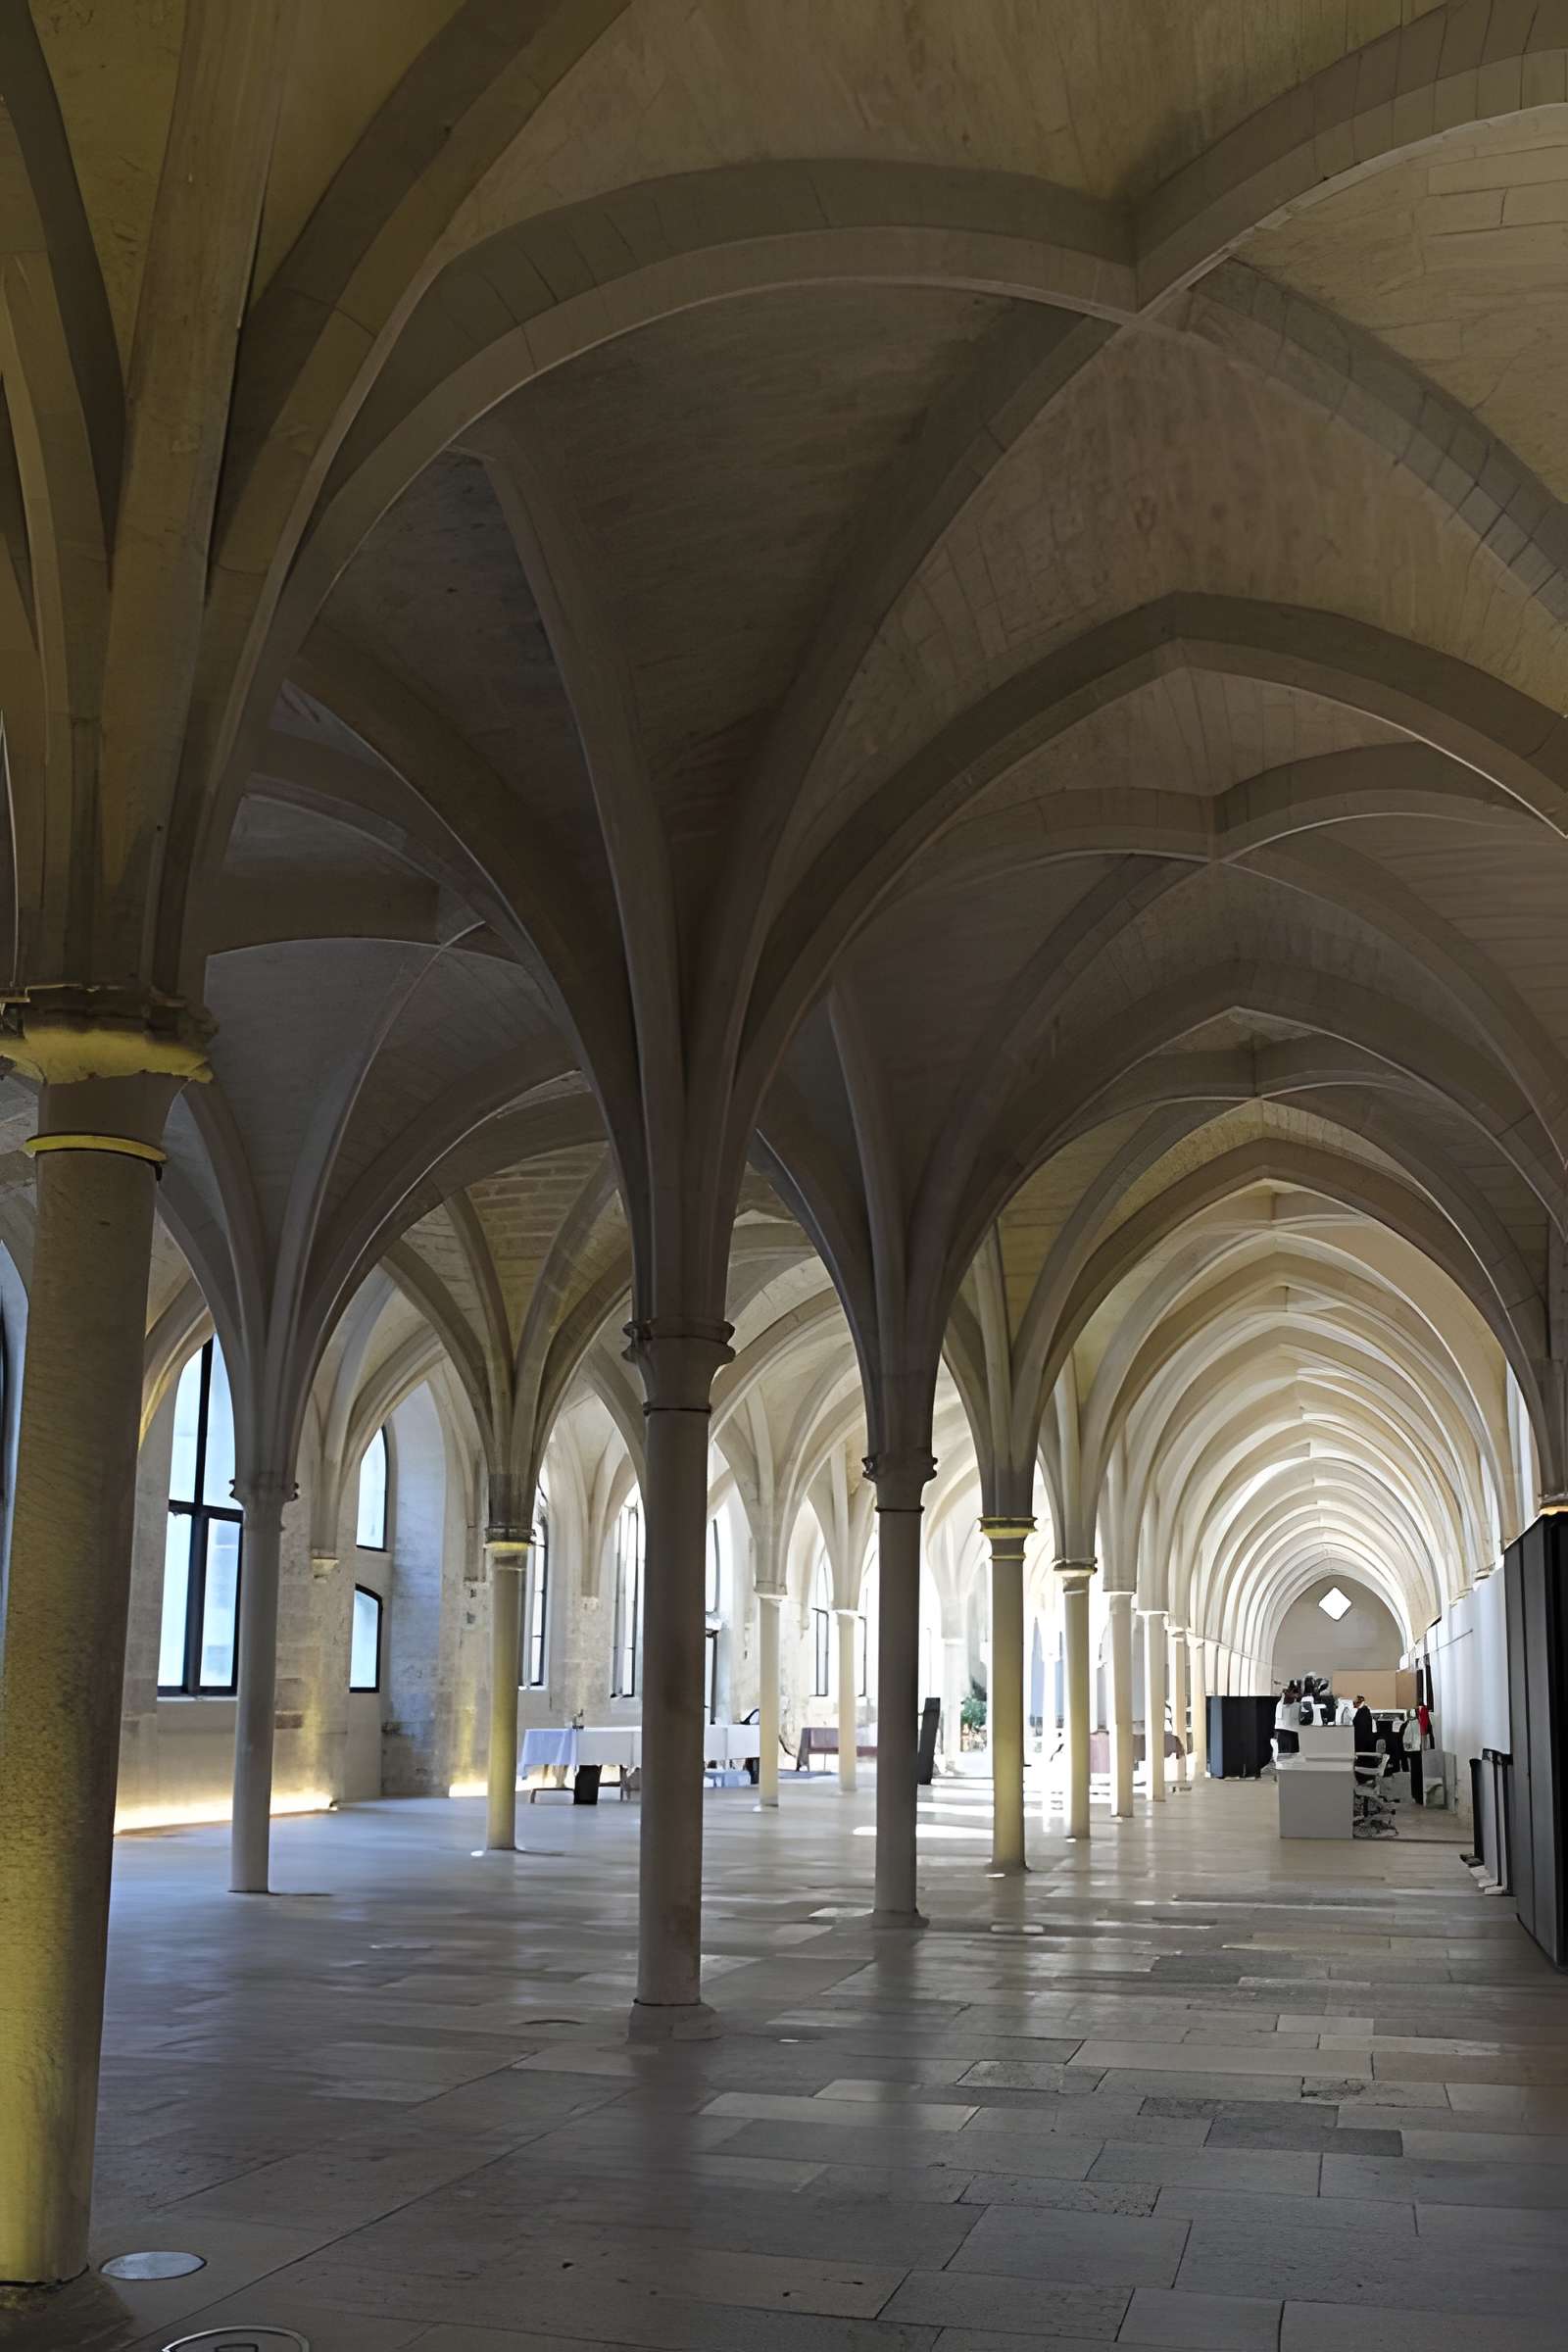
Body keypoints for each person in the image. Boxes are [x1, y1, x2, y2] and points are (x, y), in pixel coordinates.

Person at [1275, 1682, 1301, 1756]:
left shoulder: (1280, 1704)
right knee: (1290, 1757)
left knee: (1284, 1756)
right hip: (1290, 1733)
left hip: (1285, 1733)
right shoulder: (1295, 1705)